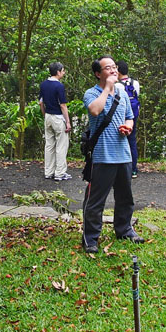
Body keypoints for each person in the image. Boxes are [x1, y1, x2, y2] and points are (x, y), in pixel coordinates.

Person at [81, 56, 145, 252]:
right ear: (98, 73)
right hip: (102, 155)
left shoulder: (123, 93)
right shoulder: (91, 93)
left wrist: (127, 126)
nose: (113, 71)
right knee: (96, 200)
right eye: (108, 68)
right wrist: (108, 89)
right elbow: (94, 110)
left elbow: (129, 117)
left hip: (124, 154)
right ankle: (90, 238)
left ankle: (124, 229)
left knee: (125, 197)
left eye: (114, 67)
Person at [39, 62, 73, 181]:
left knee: (49, 145)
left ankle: (48, 171)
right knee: (61, 145)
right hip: (58, 117)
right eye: (63, 70)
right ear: (58, 72)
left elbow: (41, 102)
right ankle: (59, 173)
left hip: (48, 116)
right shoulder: (59, 86)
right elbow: (63, 105)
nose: (63, 73)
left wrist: (45, 115)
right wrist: (68, 122)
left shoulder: (43, 84)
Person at [116, 60, 141, 178]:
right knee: (132, 141)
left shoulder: (117, 86)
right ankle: (134, 169)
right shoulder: (135, 83)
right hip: (134, 115)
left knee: (120, 141)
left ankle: (121, 169)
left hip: (121, 116)